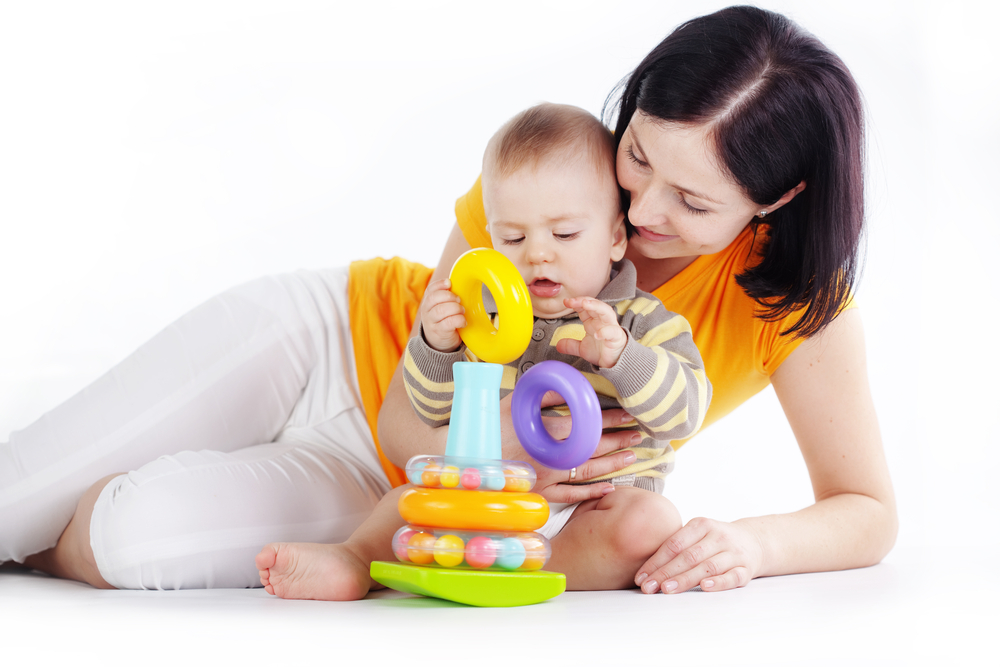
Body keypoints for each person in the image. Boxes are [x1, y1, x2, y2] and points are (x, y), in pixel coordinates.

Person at [0, 5, 896, 594]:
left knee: (128, 543)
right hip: (331, 345)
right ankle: (60, 480)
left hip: (410, 500)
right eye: (640, 156)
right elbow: (400, 421)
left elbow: (867, 509)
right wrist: (513, 439)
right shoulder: (561, 183)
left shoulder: (794, 302)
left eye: (693, 202)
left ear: (778, 199)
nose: (642, 208)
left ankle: (73, 514)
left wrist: (754, 544)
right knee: (17, 489)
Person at [254, 102, 712, 599]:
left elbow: (684, 415)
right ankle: (355, 559)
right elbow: (434, 412)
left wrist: (623, 357)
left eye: (564, 234)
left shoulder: (644, 323)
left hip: (596, 506)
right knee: (410, 498)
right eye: (513, 238)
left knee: (649, 523)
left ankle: (508, 568)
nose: (538, 252)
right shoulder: (487, 323)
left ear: (616, 238)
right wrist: (438, 346)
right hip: (491, 497)